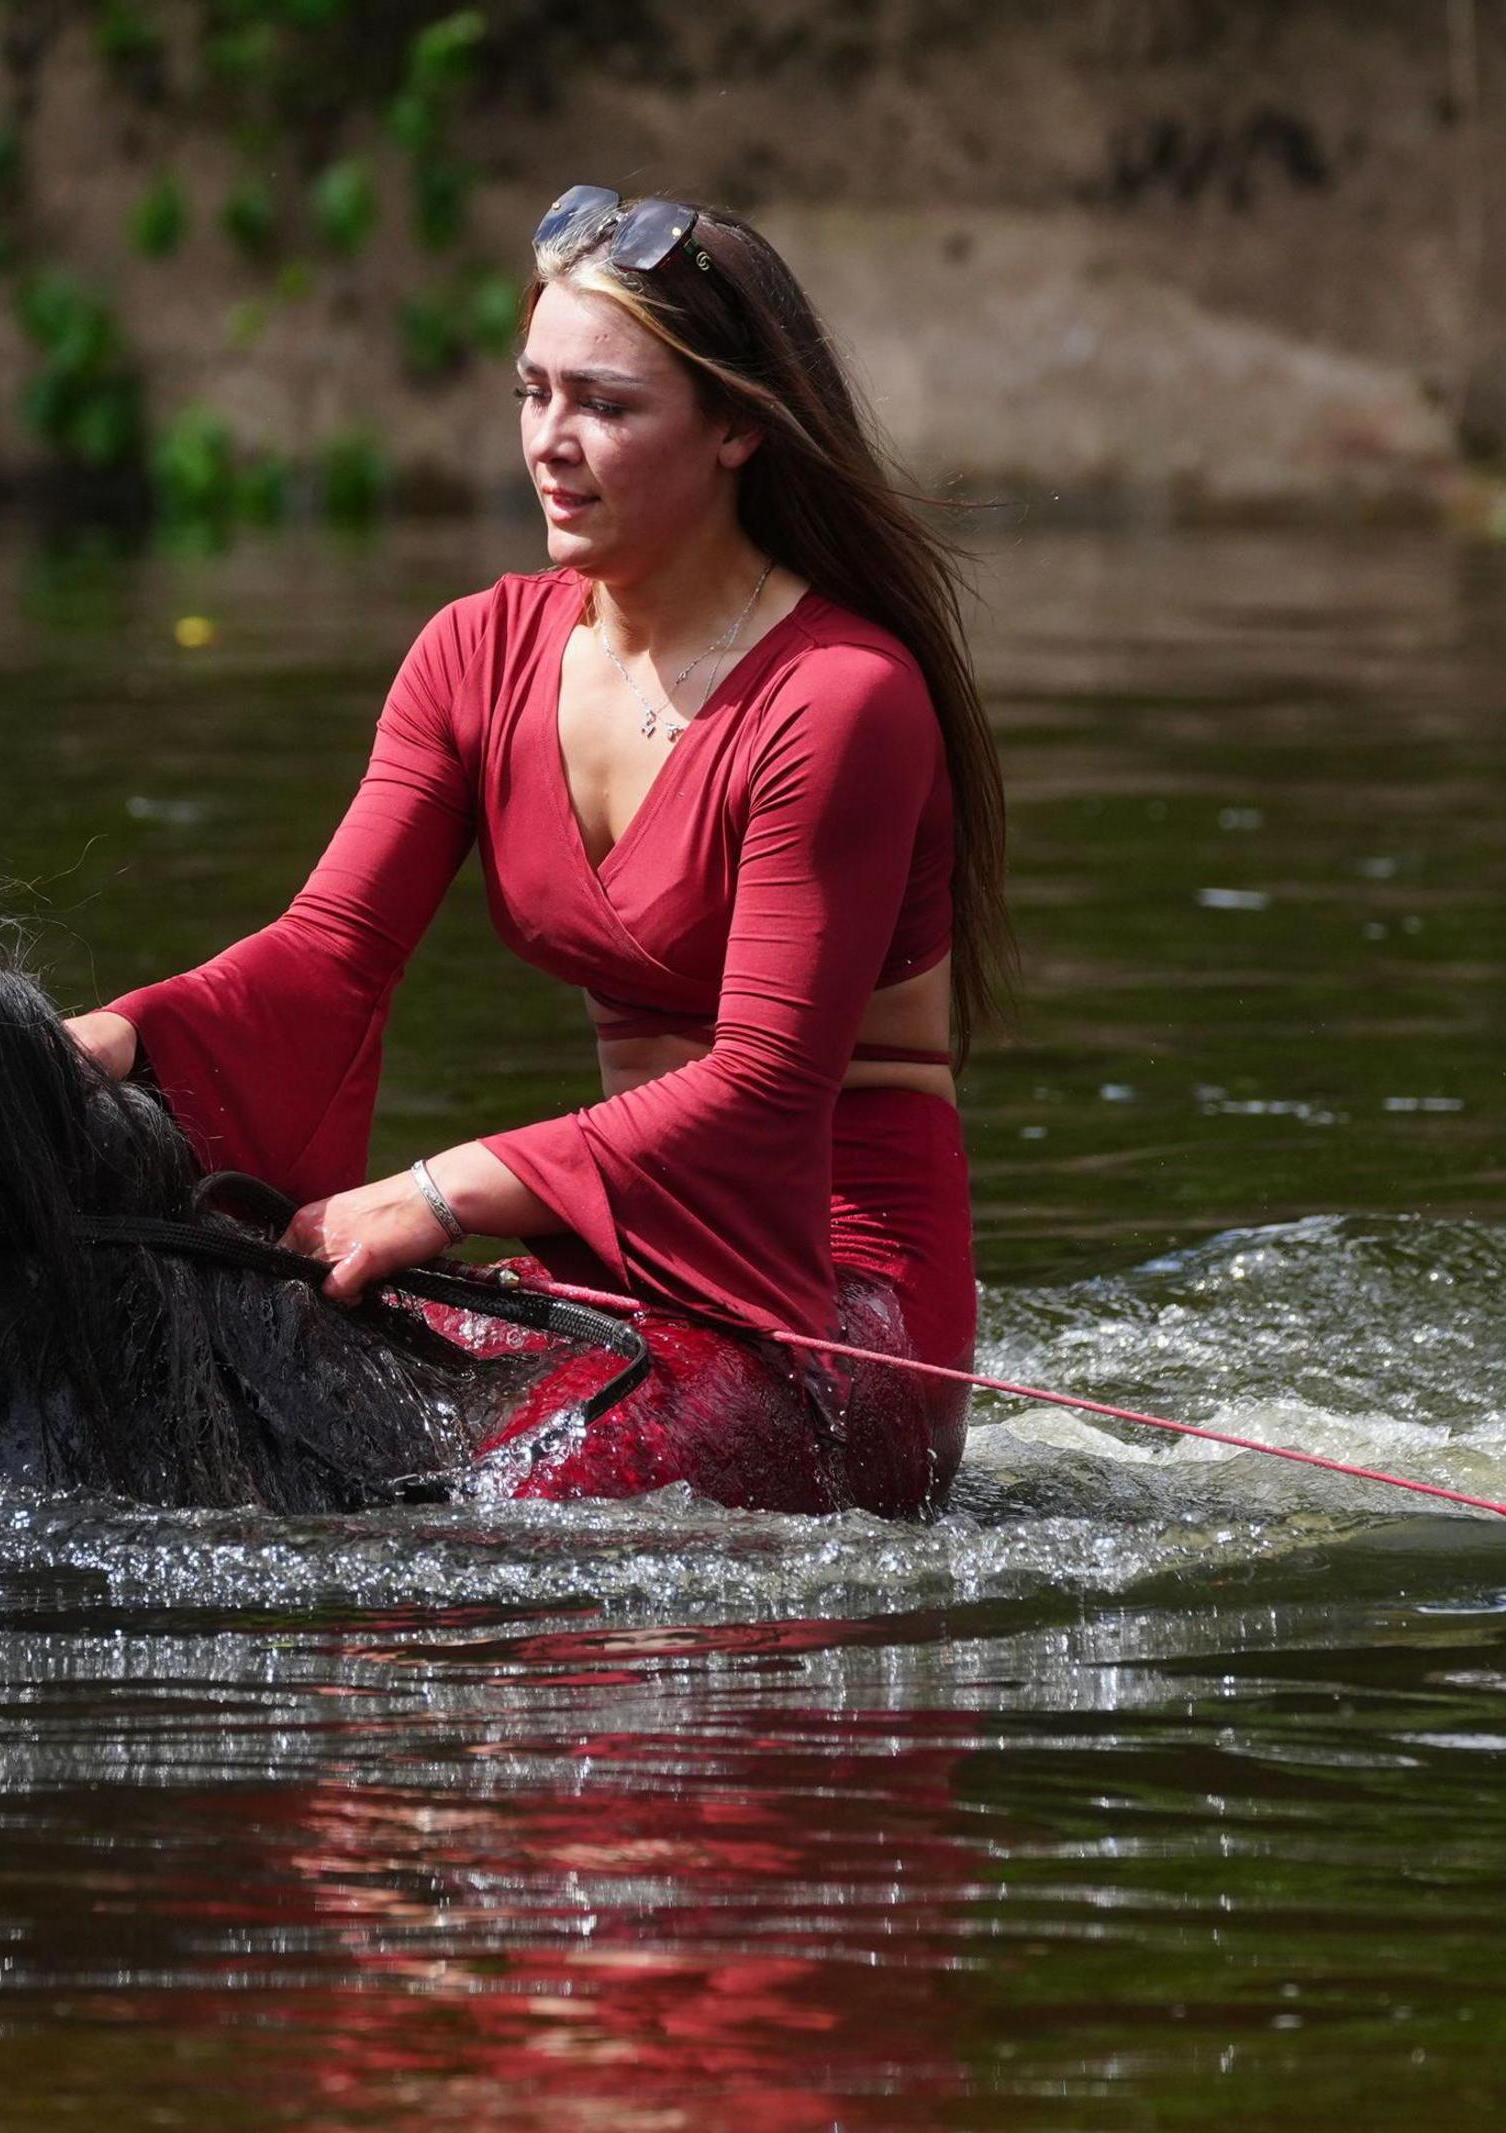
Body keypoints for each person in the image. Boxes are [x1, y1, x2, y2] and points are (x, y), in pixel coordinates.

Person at [66, 186, 1014, 1514]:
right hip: (612, 1255)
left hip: (831, 1291)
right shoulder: (475, 653)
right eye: (533, 394)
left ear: (739, 426)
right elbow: (328, 956)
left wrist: (440, 1194)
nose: (551, 447)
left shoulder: (843, 696)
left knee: (492, 1503)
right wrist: (101, 1049)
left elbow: (760, 1091)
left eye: (607, 408)